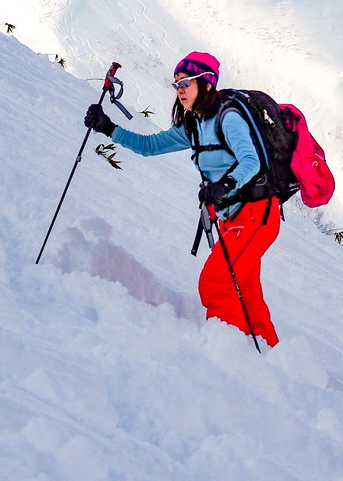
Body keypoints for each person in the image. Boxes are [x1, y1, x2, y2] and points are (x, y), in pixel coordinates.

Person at [84, 51, 282, 348]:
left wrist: (223, 185)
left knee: (216, 283)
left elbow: (250, 161)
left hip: (257, 213)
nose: (180, 88)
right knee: (245, 290)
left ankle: (229, 352)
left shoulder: (228, 119)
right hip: (234, 217)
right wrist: (108, 128)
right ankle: (268, 355)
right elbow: (150, 145)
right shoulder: (193, 123)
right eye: (176, 82)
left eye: (187, 81)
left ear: (207, 83)